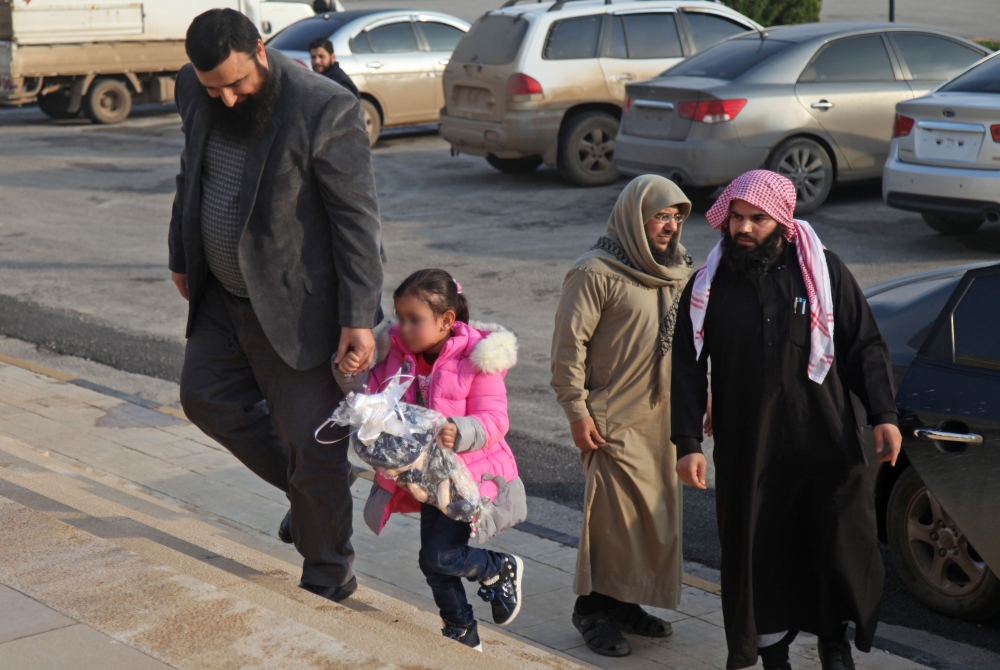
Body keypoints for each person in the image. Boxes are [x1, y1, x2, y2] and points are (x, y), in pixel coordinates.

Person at [169, 9, 382, 603]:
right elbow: (190, 173)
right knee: (204, 397)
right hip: (222, 296)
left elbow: (356, 222)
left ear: (260, 51)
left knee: (315, 445)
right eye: (215, 89)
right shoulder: (195, 87)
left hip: (298, 308)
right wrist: (180, 256)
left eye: (237, 84)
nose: (228, 99)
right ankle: (310, 496)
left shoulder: (322, 106)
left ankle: (327, 576)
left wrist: (358, 317)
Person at [671, 170, 902, 670]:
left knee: (837, 547)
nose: (744, 229)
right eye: (736, 218)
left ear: (781, 221)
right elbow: (687, 366)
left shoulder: (823, 272)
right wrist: (687, 441)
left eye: (757, 219)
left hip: (827, 442)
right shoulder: (709, 286)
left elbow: (865, 346)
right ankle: (774, 656)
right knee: (760, 555)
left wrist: (884, 414)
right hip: (750, 449)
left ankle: (835, 647)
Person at [336, 269, 527, 651]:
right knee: (432, 561)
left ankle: (497, 568)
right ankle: (460, 629)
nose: (404, 327)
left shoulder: (478, 359)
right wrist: (351, 376)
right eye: (400, 317)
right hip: (425, 480)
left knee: (441, 555)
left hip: (467, 479)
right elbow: (373, 395)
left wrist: (462, 428)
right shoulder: (396, 354)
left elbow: (496, 419)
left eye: (415, 320)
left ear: (446, 320)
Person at [550, 176, 693, 657]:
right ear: (635, 216)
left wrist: (703, 396)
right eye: (660, 215)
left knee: (652, 520)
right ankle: (592, 611)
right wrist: (576, 409)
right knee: (611, 521)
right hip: (612, 416)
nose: (669, 226)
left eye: (676, 216)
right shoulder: (595, 272)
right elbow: (568, 348)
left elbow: (691, 345)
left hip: (665, 421)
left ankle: (627, 604)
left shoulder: (678, 272)